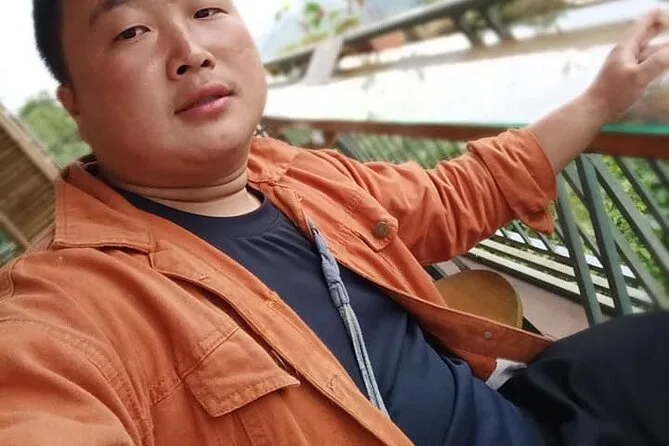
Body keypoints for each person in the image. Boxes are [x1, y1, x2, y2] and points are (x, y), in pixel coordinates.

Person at [1, 1, 667, 445]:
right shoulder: (68, 306)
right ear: (73, 104)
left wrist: (602, 98)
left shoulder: (296, 174)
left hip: (521, 409)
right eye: (131, 31)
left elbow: (454, 194)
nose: (191, 50)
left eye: (206, 10)